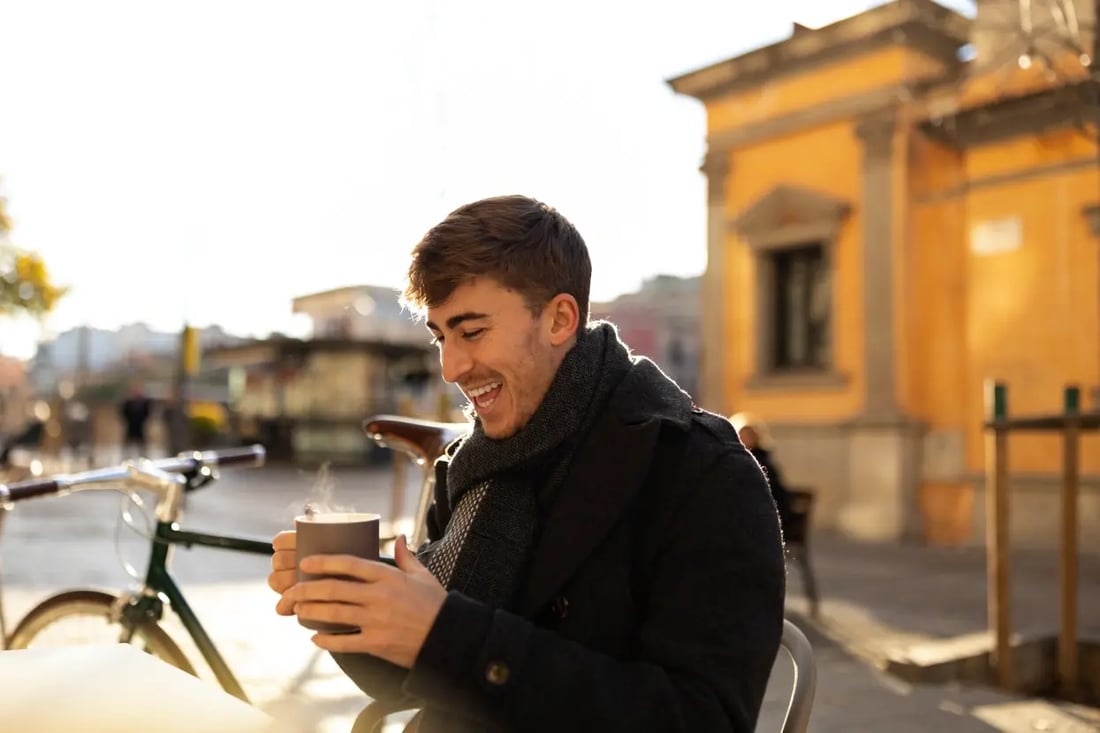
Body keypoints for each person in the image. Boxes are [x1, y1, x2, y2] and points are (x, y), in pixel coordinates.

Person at [268, 195, 786, 732]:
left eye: (471, 332)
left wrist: (448, 635)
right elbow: (410, 679)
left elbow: (703, 720)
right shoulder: (473, 465)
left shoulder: (703, 474)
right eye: (441, 337)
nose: (451, 367)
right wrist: (352, 605)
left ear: (560, 318)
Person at [730, 412, 793, 534]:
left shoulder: (764, 463)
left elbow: (776, 493)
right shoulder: (732, 460)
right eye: (742, 435)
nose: (746, 439)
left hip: (763, 514)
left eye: (749, 435)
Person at [118, 381, 153, 458]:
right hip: (130, 427)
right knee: (127, 447)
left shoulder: (144, 403)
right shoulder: (128, 403)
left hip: (140, 427)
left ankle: (144, 459)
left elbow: (147, 413)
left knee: (142, 448)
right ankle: (125, 459)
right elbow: (123, 413)